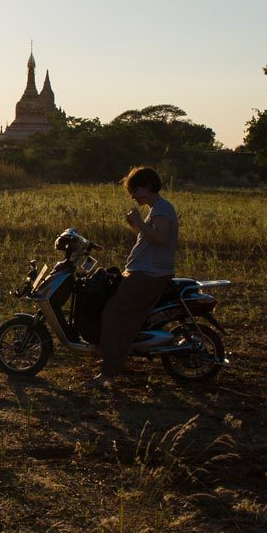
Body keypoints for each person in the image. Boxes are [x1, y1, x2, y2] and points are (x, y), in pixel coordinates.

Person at [86, 166, 178, 391]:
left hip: (150, 274)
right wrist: (136, 225)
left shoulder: (162, 208)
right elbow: (149, 237)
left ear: (147, 185)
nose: (134, 196)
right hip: (144, 271)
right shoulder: (156, 208)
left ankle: (109, 373)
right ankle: (116, 358)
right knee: (115, 310)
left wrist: (140, 222)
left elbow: (160, 237)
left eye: (136, 190)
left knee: (115, 314)